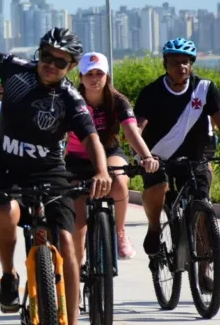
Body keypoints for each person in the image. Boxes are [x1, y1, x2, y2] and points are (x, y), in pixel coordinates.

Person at [0, 27, 111, 325]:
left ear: (71, 67)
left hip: (50, 171)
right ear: (39, 54)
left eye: (61, 62)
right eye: (46, 56)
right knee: (5, 213)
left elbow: (91, 139)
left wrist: (101, 171)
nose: (51, 65)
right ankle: (9, 275)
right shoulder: (16, 71)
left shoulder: (71, 98)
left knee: (68, 244)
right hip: (7, 167)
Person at [134, 38, 220, 256]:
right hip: (158, 158)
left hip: (196, 157)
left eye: (185, 62)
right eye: (175, 62)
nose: (181, 67)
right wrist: (141, 155)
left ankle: (204, 267)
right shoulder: (151, 92)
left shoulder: (205, 88)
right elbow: (137, 127)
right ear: (165, 64)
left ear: (191, 64)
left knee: (202, 207)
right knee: (157, 188)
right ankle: (154, 227)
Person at [65, 52, 160, 261]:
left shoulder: (118, 101)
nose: (94, 78)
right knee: (78, 217)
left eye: (99, 73)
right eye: (89, 74)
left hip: (109, 153)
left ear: (107, 76)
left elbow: (132, 132)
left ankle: (120, 233)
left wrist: (146, 157)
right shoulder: (71, 100)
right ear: (80, 77)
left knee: (118, 180)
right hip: (77, 158)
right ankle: (78, 266)